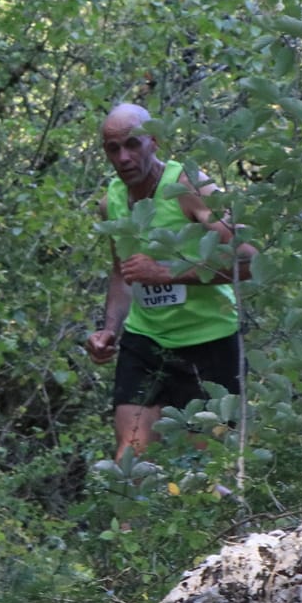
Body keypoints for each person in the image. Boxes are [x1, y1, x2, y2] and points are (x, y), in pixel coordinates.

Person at [84, 102, 254, 460]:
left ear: (154, 141)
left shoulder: (188, 187)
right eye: (113, 149)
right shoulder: (111, 202)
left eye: (133, 144)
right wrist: (109, 329)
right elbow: (122, 272)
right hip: (145, 341)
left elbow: (248, 260)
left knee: (203, 468)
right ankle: (131, 518)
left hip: (209, 342)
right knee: (130, 458)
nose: (124, 157)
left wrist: (167, 273)